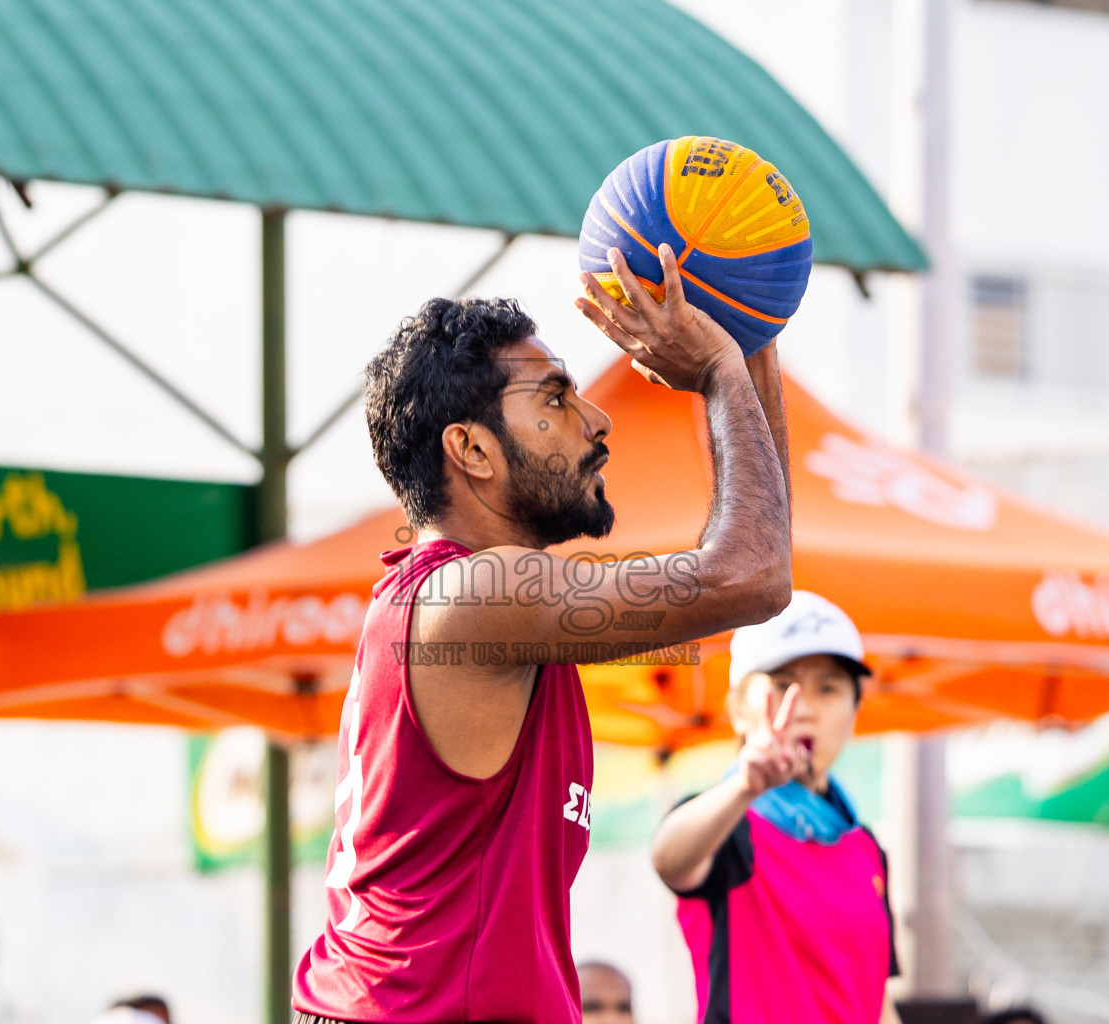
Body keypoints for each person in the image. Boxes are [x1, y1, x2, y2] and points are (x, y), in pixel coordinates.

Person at [292, 243, 794, 1023]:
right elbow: (752, 575)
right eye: (556, 399)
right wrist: (722, 370)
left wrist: (750, 337)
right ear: (473, 449)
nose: (597, 420)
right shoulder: (479, 593)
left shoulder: (472, 597)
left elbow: (762, 559)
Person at [651, 591, 899, 1024]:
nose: (803, 709)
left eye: (828, 688)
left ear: (856, 710)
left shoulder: (866, 847)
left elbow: (875, 1000)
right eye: (784, 685)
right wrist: (744, 788)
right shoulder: (728, 825)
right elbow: (670, 859)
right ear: (739, 712)